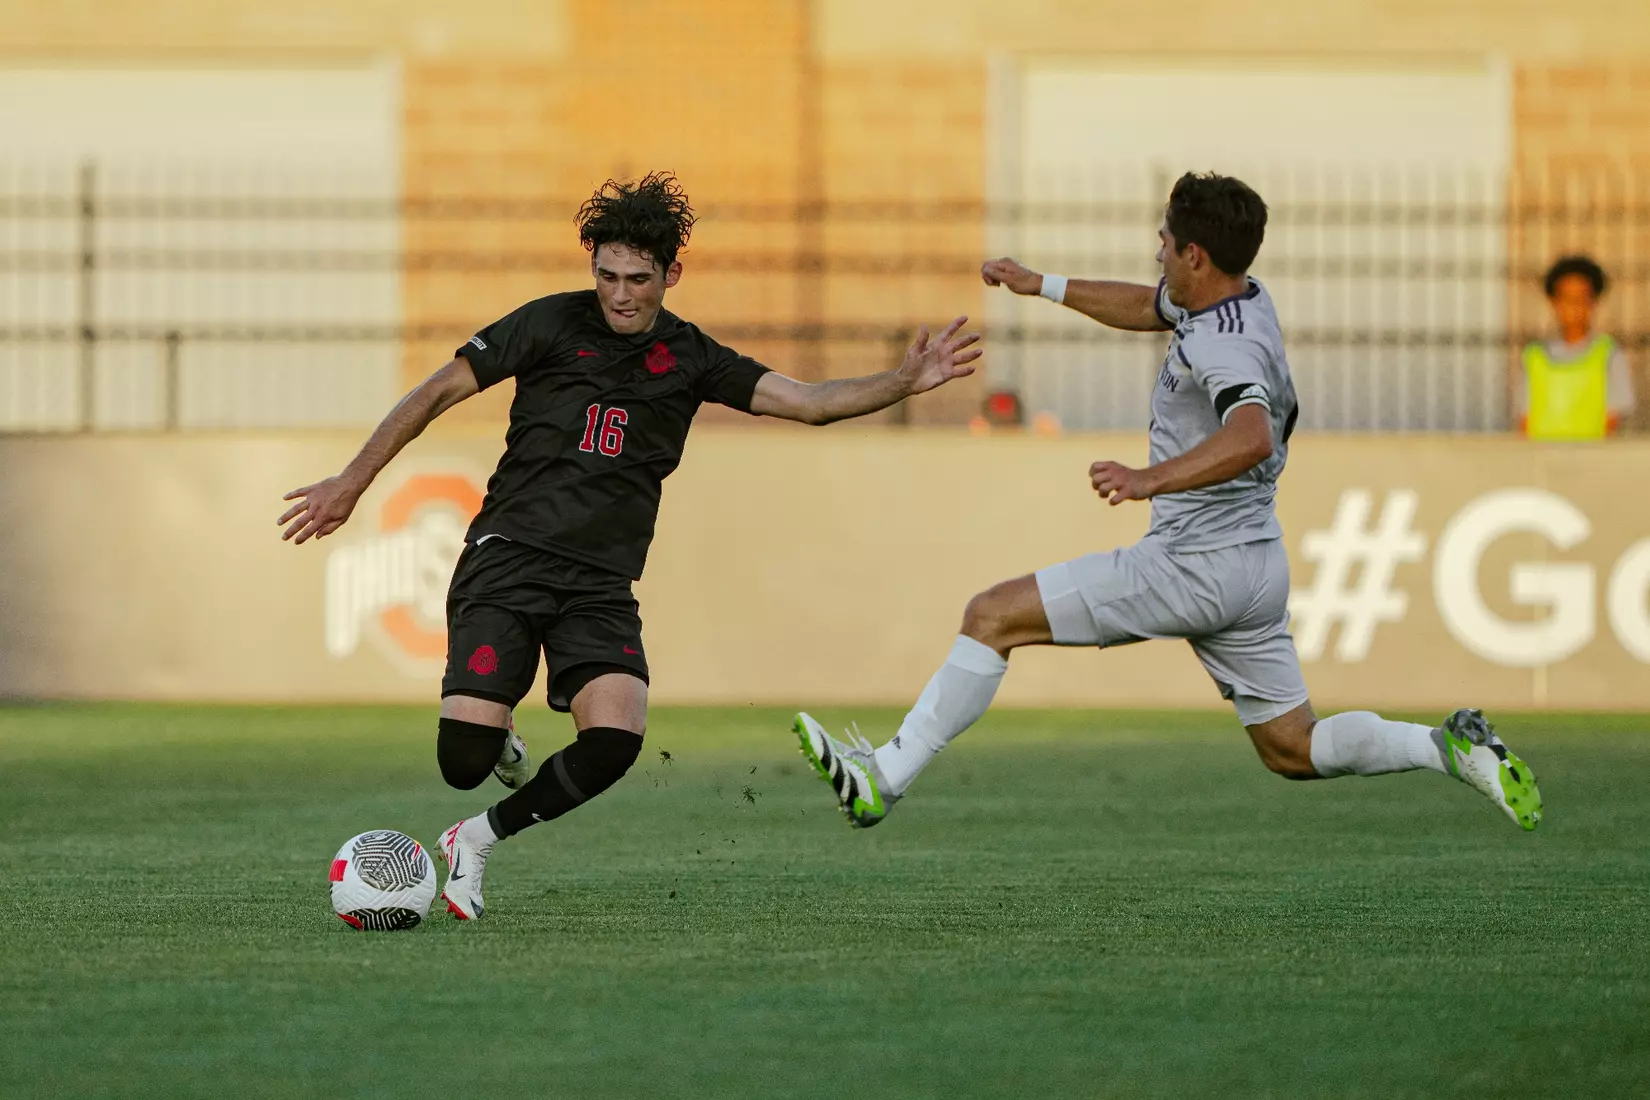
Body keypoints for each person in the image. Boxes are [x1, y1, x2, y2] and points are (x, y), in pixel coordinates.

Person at [278, 173, 981, 919]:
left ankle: (476, 840)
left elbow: (807, 402)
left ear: (671, 275)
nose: (620, 294)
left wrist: (902, 384)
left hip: (600, 583)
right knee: (463, 761)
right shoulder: (548, 324)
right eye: (607, 275)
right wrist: (351, 482)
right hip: (508, 557)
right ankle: (500, 744)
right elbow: (434, 393)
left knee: (615, 739)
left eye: (638, 280)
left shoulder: (693, 358)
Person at [794, 172, 1543, 834]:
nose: (1156, 250)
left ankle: (881, 780)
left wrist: (1150, 479)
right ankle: (1446, 746)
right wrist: (1040, 284)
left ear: (1195, 255)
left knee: (991, 615)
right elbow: (1145, 307)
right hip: (1253, 565)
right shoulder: (1243, 297)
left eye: (1165, 241)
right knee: (1293, 747)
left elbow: (1249, 433)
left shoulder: (1224, 347)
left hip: (1193, 564)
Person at [1519, 255, 1635, 440]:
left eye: (1581, 298)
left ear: (1594, 302)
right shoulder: (1534, 356)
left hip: (1592, 460)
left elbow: (1613, 417)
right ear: (1553, 302)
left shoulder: (1609, 354)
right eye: (1566, 298)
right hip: (1544, 461)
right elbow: (1525, 418)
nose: (1573, 306)